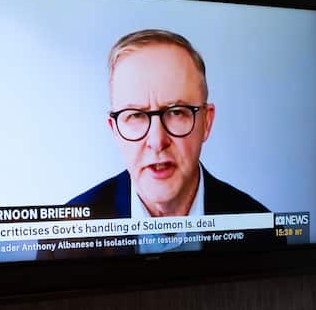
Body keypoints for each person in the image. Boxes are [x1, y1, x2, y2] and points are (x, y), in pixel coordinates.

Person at [72, 29, 267, 220]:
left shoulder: (260, 225)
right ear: (115, 130)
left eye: (176, 112)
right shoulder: (71, 231)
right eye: (136, 116)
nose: (157, 141)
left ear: (206, 122)